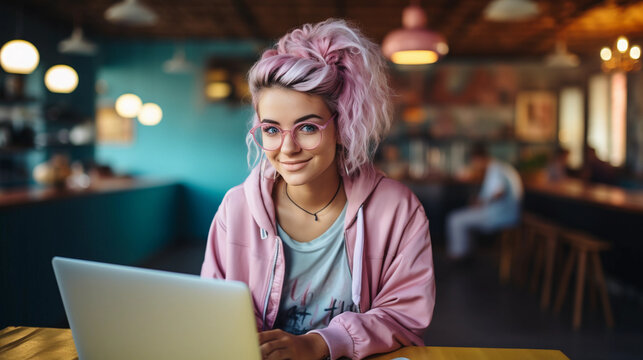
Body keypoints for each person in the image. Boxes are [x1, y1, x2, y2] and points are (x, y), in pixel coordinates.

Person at [200, 19, 435, 360]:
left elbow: (405, 318)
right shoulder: (236, 208)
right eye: (271, 129)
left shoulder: (397, 209)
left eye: (307, 127)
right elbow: (213, 307)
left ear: (343, 126)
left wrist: (318, 343)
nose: (288, 148)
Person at [447, 144, 523, 260]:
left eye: (474, 162)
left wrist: (481, 202)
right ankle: (466, 253)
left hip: (500, 215)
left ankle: (459, 257)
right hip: (508, 213)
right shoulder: (500, 167)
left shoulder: (496, 170)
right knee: (465, 217)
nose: (474, 165)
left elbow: (499, 193)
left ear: (479, 159)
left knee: (455, 219)